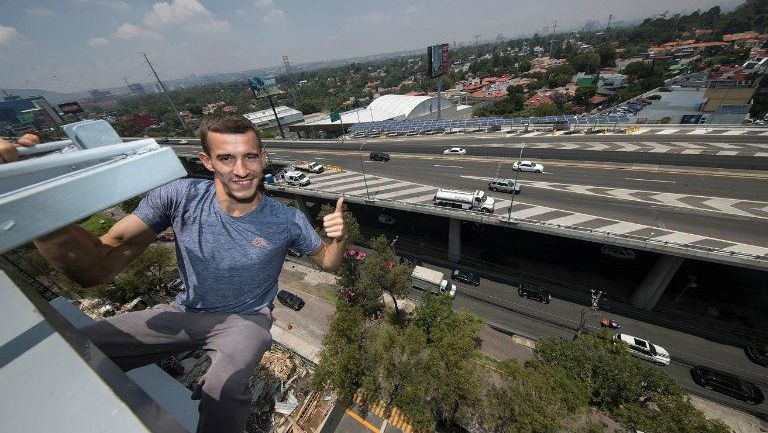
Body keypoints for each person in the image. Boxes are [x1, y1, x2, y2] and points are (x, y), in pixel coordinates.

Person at [10, 115, 346, 433]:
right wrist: (27, 195)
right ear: (207, 161)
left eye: (250, 157)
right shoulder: (179, 197)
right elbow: (96, 266)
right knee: (78, 349)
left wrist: (339, 239)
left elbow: (329, 263)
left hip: (245, 319)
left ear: (264, 157)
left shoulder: (285, 219)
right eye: (226, 158)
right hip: (185, 311)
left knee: (224, 391)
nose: (241, 170)